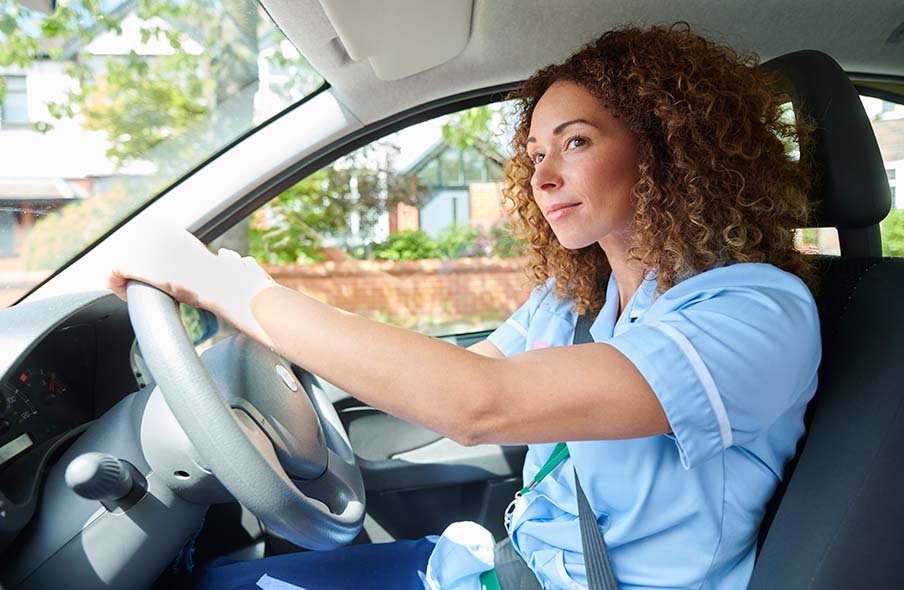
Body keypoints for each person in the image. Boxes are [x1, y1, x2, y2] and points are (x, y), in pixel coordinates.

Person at [110, 23, 821, 590]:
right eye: (535, 151)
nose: (543, 176)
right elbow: (455, 371)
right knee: (222, 582)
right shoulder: (580, 296)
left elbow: (480, 403)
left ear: (665, 150)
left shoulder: (755, 311)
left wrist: (237, 292)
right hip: (507, 570)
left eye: (576, 141)